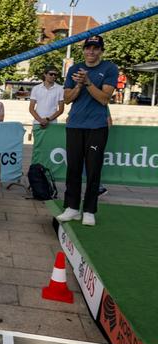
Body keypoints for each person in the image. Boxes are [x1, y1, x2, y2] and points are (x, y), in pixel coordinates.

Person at [56, 35, 117, 227]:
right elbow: (67, 99)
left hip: (96, 126)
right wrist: (80, 84)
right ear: (83, 50)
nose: (91, 52)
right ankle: (72, 208)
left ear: (101, 50)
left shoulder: (109, 68)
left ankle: (89, 210)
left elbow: (104, 98)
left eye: (95, 48)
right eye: (88, 48)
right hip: (75, 124)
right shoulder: (74, 69)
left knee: (93, 169)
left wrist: (89, 82)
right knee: (73, 168)